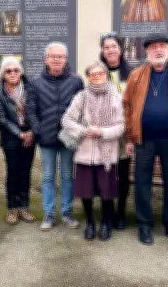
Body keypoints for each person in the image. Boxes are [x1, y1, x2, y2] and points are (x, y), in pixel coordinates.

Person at [122, 33, 168, 245]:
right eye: (153, 47)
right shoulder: (136, 75)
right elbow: (127, 106)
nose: (158, 50)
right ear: (147, 52)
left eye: (162, 46)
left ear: (167, 50)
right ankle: (144, 225)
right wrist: (130, 136)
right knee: (142, 183)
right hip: (143, 140)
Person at [61, 61, 125, 241]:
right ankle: (90, 222)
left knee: (106, 192)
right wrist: (83, 131)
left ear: (106, 75)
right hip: (85, 153)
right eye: (92, 74)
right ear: (88, 77)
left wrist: (102, 132)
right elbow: (66, 120)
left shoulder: (116, 97)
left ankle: (105, 222)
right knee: (86, 192)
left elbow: (121, 126)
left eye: (100, 73)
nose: (96, 77)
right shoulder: (81, 97)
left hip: (106, 155)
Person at [26, 42, 84, 231]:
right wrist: (38, 130)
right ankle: (49, 214)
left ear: (66, 59)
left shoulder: (76, 81)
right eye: (53, 56)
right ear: (46, 59)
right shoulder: (35, 82)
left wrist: (76, 130)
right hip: (46, 138)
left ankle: (67, 213)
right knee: (48, 177)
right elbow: (30, 110)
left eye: (61, 56)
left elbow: (82, 108)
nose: (57, 60)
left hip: (68, 138)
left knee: (67, 176)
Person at [0, 57, 36, 225]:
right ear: (3, 74)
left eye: (16, 70)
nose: (12, 73)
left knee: (25, 172)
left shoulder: (30, 89)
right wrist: (20, 134)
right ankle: (12, 208)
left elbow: (37, 111)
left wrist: (32, 132)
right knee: (13, 173)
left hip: (29, 136)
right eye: (8, 71)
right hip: (11, 138)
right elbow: (1, 119)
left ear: (20, 72)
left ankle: (24, 207)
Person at [99, 32, 134, 229]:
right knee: (106, 175)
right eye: (106, 47)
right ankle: (107, 213)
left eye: (114, 46)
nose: (110, 50)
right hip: (104, 133)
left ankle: (120, 212)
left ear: (120, 49)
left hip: (124, 134)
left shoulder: (132, 74)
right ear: (102, 51)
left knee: (122, 175)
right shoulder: (97, 72)